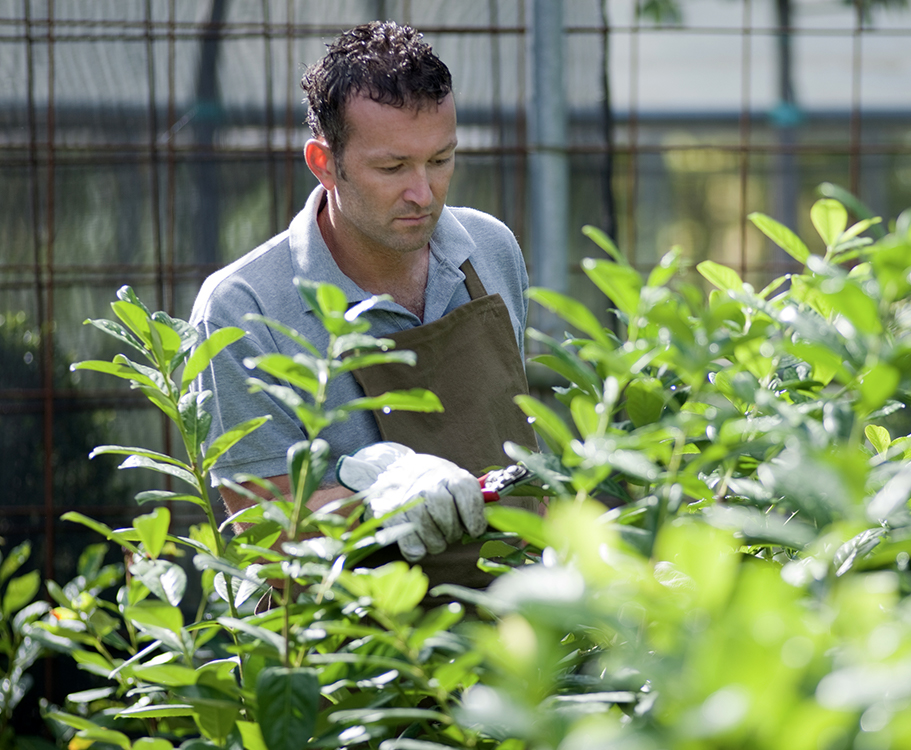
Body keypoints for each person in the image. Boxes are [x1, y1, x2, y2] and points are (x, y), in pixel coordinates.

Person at [190, 21, 539, 592]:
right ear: (324, 163)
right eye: (392, 167)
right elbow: (266, 537)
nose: (423, 194)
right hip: (357, 658)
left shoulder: (491, 250)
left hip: (517, 634)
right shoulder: (243, 308)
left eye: (441, 160)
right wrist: (378, 504)